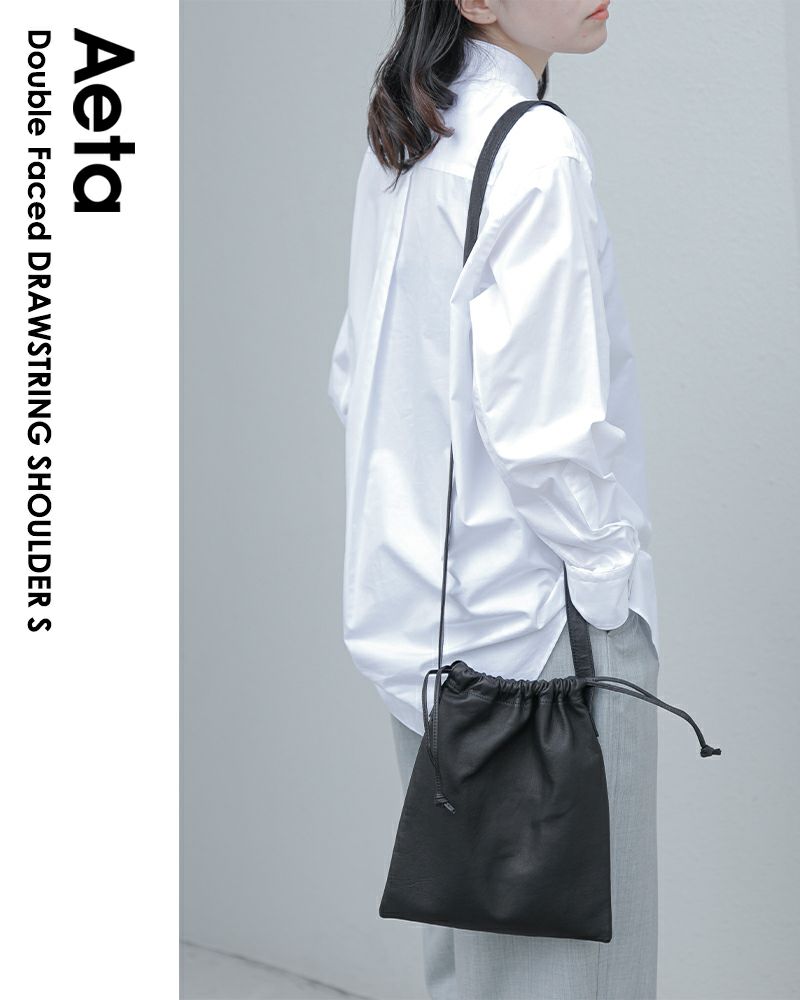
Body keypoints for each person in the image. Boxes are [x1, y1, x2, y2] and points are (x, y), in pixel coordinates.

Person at [328, 1, 660, 996]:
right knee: (578, 973)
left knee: (473, 970)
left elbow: (355, 374)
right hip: (541, 629)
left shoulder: (409, 133)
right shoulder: (536, 149)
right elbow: (546, 429)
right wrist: (611, 586)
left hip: (420, 623)